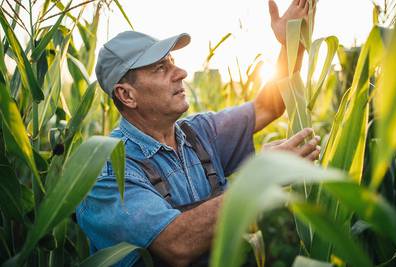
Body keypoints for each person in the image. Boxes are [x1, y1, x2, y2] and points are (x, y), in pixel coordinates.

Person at [76, 0, 319, 266]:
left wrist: (290, 43)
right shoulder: (108, 171)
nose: (181, 73)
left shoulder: (199, 133)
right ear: (126, 94)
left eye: (173, 63)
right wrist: (258, 178)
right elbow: (176, 243)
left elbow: (267, 106)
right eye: (161, 68)